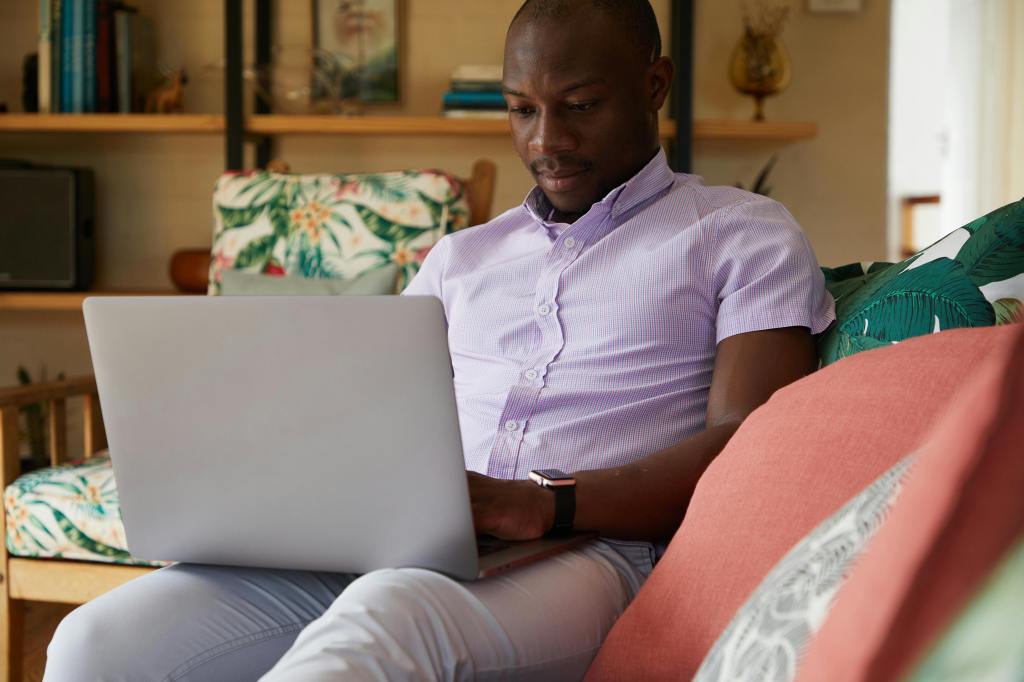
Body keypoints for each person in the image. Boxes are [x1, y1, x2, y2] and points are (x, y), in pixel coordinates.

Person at [44, 1, 834, 680]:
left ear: (654, 86)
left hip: (590, 553)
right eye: (522, 109)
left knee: (383, 625)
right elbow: (361, 414)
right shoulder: (462, 257)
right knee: (95, 643)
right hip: (394, 540)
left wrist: (542, 505)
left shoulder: (739, 234)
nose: (546, 139)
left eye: (581, 105)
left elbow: (747, 445)